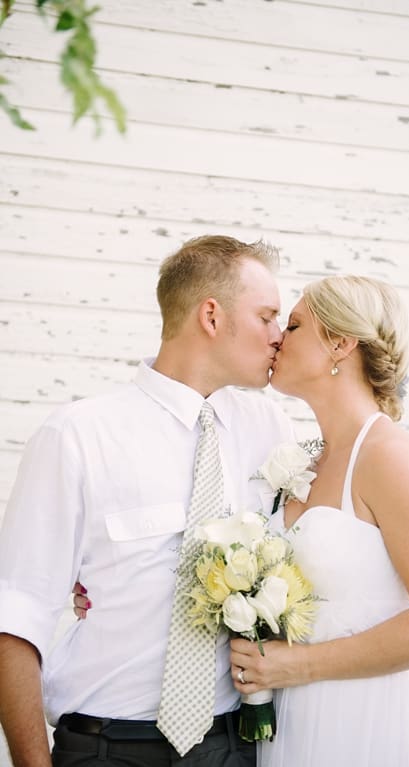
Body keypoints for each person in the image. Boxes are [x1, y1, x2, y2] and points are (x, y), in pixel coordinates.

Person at [0, 235, 293, 767]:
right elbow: (16, 617)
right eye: (267, 317)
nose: (279, 336)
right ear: (212, 316)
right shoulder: (78, 436)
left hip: (232, 746)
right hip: (106, 748)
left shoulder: (271, 430)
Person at [226, 275, 409, 766]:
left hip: (375, 721)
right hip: (299, 722)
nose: (277, 337)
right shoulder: (302, 462)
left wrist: (300, 665)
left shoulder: (392, 457)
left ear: (340, 344)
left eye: (294, 326)